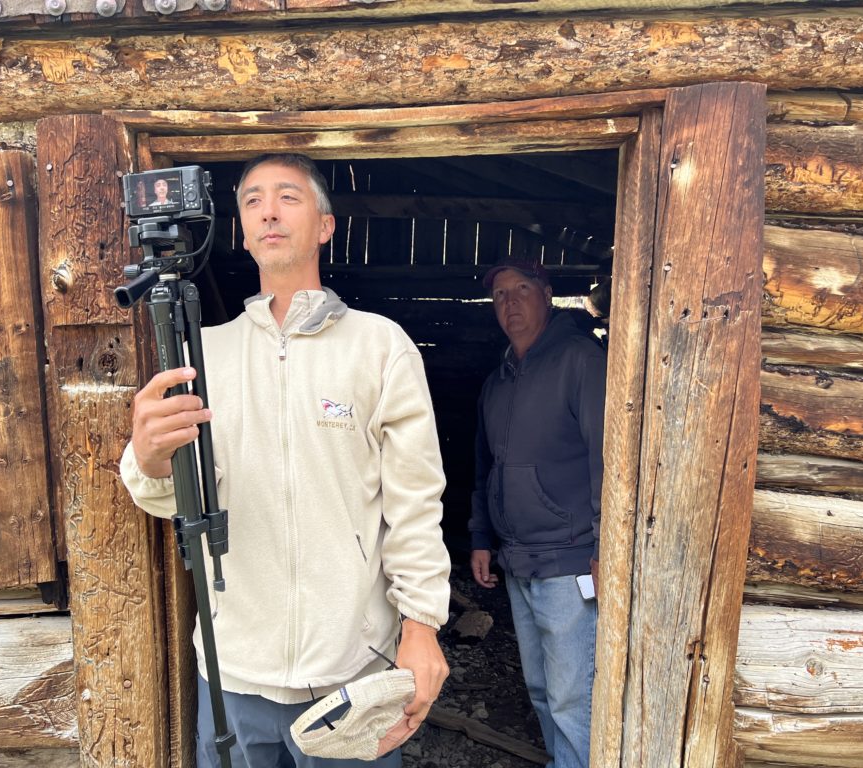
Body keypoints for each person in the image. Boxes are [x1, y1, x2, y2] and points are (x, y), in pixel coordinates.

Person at [120, 153, 451, 767]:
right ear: (243, 233)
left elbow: (414, 502)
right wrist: (148, 459)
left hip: (352, 671)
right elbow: (174, 494)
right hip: (235, 670)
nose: (269, 210)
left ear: (325, 225)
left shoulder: (379, 346)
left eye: (289, 197)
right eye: (253, 201)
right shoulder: (204, 354)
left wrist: (422, 626)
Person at [468, 258, 606, 768]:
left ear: (546, 294)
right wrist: (482, 537)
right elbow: (487, 467)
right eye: (500, 294)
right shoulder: (497, 382)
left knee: (573, 694)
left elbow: (606, 458)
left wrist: (603, 548)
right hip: (519, 561)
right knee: (542, 688)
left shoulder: (580, 361)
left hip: (570, 561)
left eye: (521, 288)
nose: (511, 302)